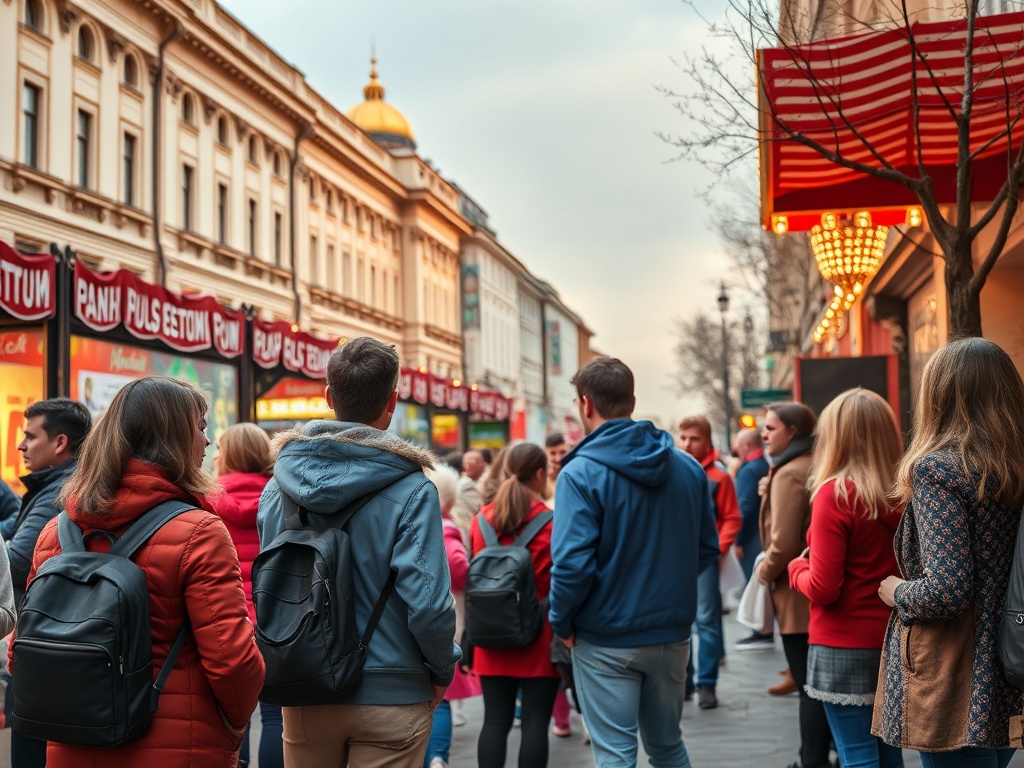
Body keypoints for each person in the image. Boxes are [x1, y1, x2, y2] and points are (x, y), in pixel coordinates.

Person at [13, 376, 265, 767]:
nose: (208, 441)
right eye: (200, 427)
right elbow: (232, 661)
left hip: (72, 744)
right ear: (174, 438)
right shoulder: (199, 531)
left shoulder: (56, 531)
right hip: (181, 745)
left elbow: (21, 653)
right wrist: (233, 728)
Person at [257, 336, 459, 768]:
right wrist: (442, 668)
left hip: (305, 684)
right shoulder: (412, 489)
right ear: (393, 400)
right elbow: (427, 603)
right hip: (392, 690)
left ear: (328, 396)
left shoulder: (277, 488)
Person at [549, 356, 719, 767]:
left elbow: (572, 564)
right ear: (632, 400)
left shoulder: (579, 473)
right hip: (671, 632)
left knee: (615, 754)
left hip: (605, 635)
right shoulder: (688, 467)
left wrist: (561, 623)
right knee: (668, 746)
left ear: (585, 404)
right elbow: (705, 547)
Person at [875, 338, 1024, 768]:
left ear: (939, 395)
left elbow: (947, 589)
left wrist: (898, 591)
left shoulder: (938, 470)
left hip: (954, 668)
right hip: (1008, 657)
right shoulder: (1013, 465)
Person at [788, 389, 904, 768]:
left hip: (840, 645)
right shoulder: (905, 495)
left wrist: (796, 569)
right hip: (894, 639)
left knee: (856, 756)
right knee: (890, 755)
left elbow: (824, 587)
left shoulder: (835, 494)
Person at [9, 398, 92, 768]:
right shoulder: (56, 485)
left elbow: (15, 561)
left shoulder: (58, 489)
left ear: (60, 443)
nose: (21, 446)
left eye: (30, 436)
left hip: (44, 643)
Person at [470, 442, 561, 768]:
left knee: (494, 721)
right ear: (540, 474)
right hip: (539, 634)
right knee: (536, 721)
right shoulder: (551, 523)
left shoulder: (481, 520)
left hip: (491, 633)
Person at [757, 400, 833, 768]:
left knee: (808, 688)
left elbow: (784, 543)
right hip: (812, 589)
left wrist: (763, 572)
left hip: (795, 593)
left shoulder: (789, 473)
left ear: (793, 432)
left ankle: (811, 761)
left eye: (770, 428)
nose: (763, 433)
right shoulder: (809, 464)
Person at [210, 422, 281, 768]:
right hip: (276, 619)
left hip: (228, 621)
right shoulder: (282, 497)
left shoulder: (206, 500)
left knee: (233, 721)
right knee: (275, 717)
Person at [677, 415, 742, 710]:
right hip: (677, 559)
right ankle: (684, 680)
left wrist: (717, 549)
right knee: (680, 621)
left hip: (703, 559)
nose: (688, 443)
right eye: (684, 437)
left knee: (707, 621)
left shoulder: (719, 476)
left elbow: (732, 517)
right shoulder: (673, 472)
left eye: (694, 438)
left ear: (707, 441)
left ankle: (707, 684)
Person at [422, 463, 480, 768]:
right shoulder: (447, 529)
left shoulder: (417, 523)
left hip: (420, 618)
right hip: (447, 620)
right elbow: (460, 569)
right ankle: (436, 757)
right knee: (441, 697)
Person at [733, 428, 774, 652]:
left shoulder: (748, 470)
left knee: (755, 583)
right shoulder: (763, 466)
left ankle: (761, 631)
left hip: (752, 538)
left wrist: (738, 540)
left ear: (747, 445)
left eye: (739, 445)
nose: (736, 449)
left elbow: (745, 508)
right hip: (761, 534)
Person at [543, 432, 572, 502]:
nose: (558, 458)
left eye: (563, 452)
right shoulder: (540, 477)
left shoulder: (578, 474)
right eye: (552, 453)